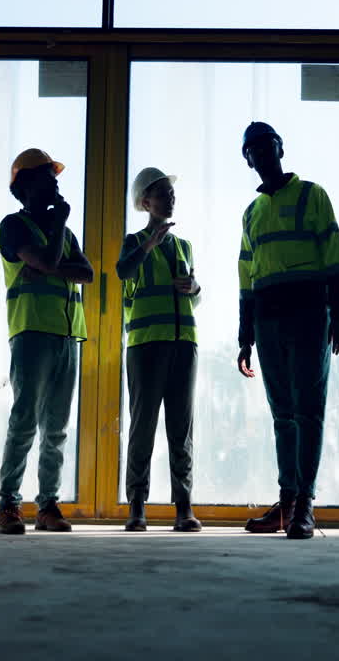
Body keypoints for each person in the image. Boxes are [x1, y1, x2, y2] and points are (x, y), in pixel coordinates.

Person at [236, 122, 339, 540]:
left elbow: (334, 253)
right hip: (267, 317)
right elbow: (246, 274)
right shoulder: (251, 213)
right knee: (283, 412)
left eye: (266, 146)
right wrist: (245, 334)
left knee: (307, 410)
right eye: (252, 150)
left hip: (307, 313)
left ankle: (305, 504)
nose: (261, 154)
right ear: (247, 159)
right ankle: (287, 503)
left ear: (280, 148)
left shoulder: (311, 195)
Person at [0, 148, 94, 535]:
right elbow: (52, 263)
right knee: (24, 421)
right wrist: (54, 259)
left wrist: (52, 266)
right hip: (32, 331)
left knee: (57, 426)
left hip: (68, 335)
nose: (56, 184)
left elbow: (86, 273)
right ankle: (8, 506)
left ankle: (48, 506)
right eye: (49, 178)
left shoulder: (63, 234)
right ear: (27, 185)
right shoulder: (13, 227)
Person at [116, 167, 202, 533]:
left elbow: (194, 298)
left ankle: (183, 507)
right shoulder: (133, 241)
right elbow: (123, 272)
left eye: (172, 193)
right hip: (146, 346)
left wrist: (195, 288)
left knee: (181, 428)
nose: (171, 198)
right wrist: (148, 244)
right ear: (145, 202)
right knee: (143, 427)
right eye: (163, 193)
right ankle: (137, 506)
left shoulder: (184, 246)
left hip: (183, 345)